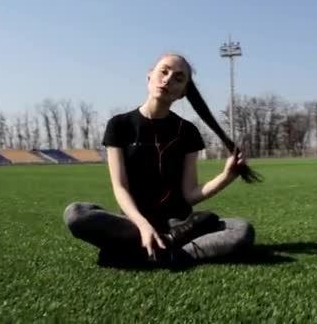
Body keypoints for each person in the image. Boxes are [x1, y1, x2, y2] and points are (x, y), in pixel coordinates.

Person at [63, 53, 262, 269]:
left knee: (241, 230)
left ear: (183, 92)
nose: (167, 79)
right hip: (134, 223)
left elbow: (189, 195)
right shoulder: (119, 125)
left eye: (178, 78)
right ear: (150, 76)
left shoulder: (187, 132)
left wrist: (227, 176)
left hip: (179, 225)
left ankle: (158, 251)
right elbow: (120, 188)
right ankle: (161, 247)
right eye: (163, 71)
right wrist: (143, 225)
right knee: (76, 214)